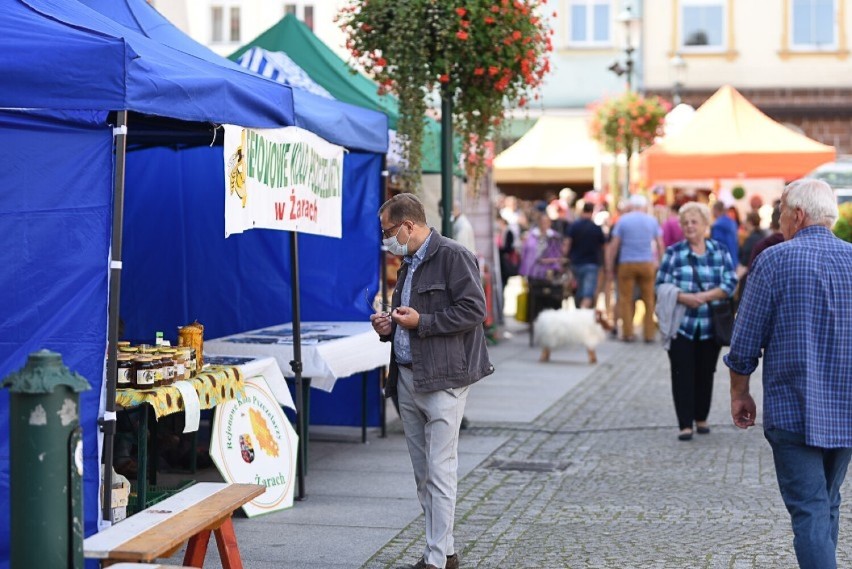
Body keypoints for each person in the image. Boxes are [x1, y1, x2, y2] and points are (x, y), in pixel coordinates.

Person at [724, 179, 852, 569]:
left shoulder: (774, 260)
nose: (779, 222)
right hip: (847, 408)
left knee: (812, 508)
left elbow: (744, 340)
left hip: (793, 406)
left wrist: (739, 392)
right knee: (825, 502)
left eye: (781, 213)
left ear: (797, 215)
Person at [370, 193, 494, 569]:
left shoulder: (453, 256)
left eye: (389, 231)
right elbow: (409, 317)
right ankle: (447, 549)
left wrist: (420, 322)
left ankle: (436, 559)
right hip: (408, 376)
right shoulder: (407, 262)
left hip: (444, 378)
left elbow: (475, 310)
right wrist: (390, 326)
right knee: (424, 474)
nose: (386, 239)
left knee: (441, 471)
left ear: (408, 225)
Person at [655, 202, 737, 440]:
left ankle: (701, 418)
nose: (690, 227)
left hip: (710, 325)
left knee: (705, 372)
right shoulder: (674, 253)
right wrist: (683, 297)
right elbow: (660, 285)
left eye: (694, 222)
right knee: (681, 373)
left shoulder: (719, 251)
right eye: (686, 223)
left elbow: (730, 283)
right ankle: (684, 424)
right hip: (682, 324)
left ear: (704, 225)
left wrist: (705, 296)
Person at [607, 194, 664, 342]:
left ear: (631, 206)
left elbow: (614, 245)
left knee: (626, 299)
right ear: (644, 206)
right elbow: (660, 243)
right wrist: (663, 262)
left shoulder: (623, 220)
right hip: (647, 263)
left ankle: (627, 333)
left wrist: (609, 264)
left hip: (626, 263)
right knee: (649, 299)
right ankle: (649, 334)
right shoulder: (651, 221)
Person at [565, 202, 605, 308]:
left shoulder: (574, 226)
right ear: (592, 212)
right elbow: (604, 247)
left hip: (575, 263)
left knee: (577, 292)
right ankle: (581, 316)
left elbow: (567, 245)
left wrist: (564, 259)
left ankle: (579, 313)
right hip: (591, 264)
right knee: (588, 293)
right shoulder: (596, 228)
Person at [710, 200, 740, 268]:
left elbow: (716, 244)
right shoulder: (732, 222)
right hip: (734, 258)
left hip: (722, 261)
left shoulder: (717, 225)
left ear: (716, 210)